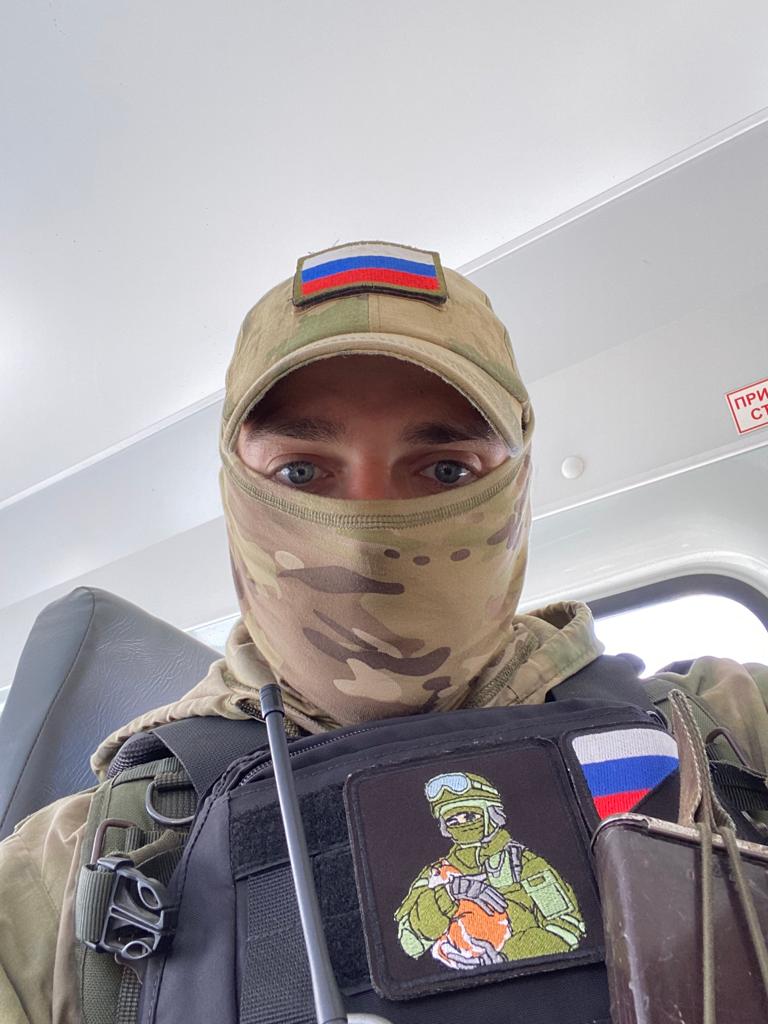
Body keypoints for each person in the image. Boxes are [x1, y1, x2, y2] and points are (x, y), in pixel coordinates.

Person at [1, 240, 767, 1023]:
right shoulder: (64, 880)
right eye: (302, 473)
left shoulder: (729, 728)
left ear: (517, 490)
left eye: (445, 472)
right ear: (236, 495)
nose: (365, 538)